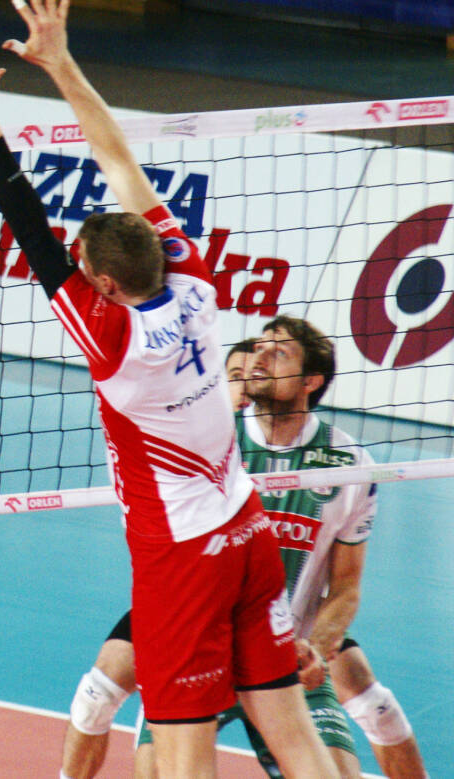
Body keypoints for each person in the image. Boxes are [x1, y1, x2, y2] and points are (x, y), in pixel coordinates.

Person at [0, 0, 337, 779]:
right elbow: (118, 159)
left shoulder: (113, 338)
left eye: (87, 271)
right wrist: (62, 65)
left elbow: (32, 235)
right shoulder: (194, 280)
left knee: (183, 753)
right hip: (247, 532)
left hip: (182, 558)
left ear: (105, 285)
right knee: (293, 735)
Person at [62, 321, 428, 779]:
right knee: (122, 728)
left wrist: (316, 648)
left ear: (311, 381)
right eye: (258, 347)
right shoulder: (210, 437)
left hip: (284, 649)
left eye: (279, 352)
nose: (259, 358)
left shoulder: (349, 465)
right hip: (200, 639)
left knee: (361, 726)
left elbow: (346, 586)